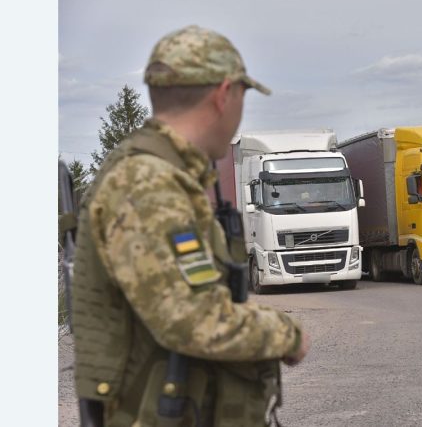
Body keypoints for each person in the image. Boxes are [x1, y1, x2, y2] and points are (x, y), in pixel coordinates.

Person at [71, 25, 310, 426]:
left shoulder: (168, 176)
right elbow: (192, 319)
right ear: (223, 95)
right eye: (242, 97)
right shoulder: (149, 183)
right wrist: (287, 333)